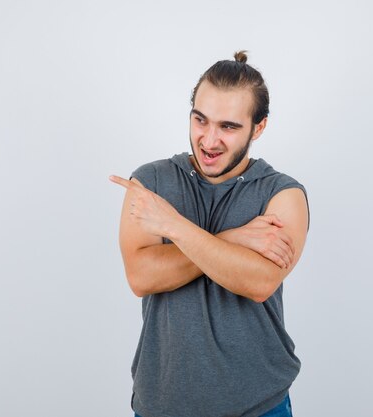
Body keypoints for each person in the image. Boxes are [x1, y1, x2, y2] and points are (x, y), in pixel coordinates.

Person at [109, 51, 309, 417]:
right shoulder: (152, 182)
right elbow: (141, 276)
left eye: (228, 127)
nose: (209, 140)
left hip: (259, 406)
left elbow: (259, 281)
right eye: (200, 119)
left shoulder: (283, 194)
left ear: (259, 127)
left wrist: (172, 225)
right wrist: (233, 238)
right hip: (161, 405)